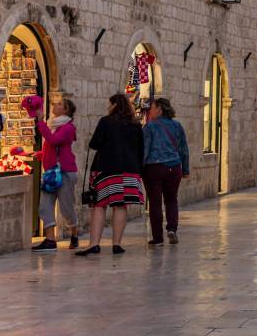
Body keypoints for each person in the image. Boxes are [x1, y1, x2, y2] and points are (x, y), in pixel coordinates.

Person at [76, 94, 144, 256]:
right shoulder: (136, 125)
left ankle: (94, 244)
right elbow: (141, 150)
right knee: (121, 205)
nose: (108, 107)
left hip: (107, 169)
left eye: (109, 104)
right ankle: (117, 244)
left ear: (114, 105)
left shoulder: (106, 122)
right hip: (129, 170)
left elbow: (94, 144)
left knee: (99, 205)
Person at [30, 97, 79, 251]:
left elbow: (53, 141)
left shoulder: (68, 128)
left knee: (66, 208)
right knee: (45, 206)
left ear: (66, 110)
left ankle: (74, 234)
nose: (54, 105)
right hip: (52, 172)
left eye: (59, 104)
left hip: (65, 172)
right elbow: (52, 148)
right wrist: (39, 154)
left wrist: (40, 121)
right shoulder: (54, 125)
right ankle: (50, 240)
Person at [141, 97, 189, 245]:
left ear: (160, 109)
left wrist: (140, 168)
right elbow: (184, 150)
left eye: (153, 108)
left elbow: (145, 150)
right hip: (174, 167)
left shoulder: (150, 127)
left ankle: (157, 238)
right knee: (171, 199)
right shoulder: (177, 126)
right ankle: (172, 229)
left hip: (154, 168)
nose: (150, 110)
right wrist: (185, 169)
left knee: (155, 203)